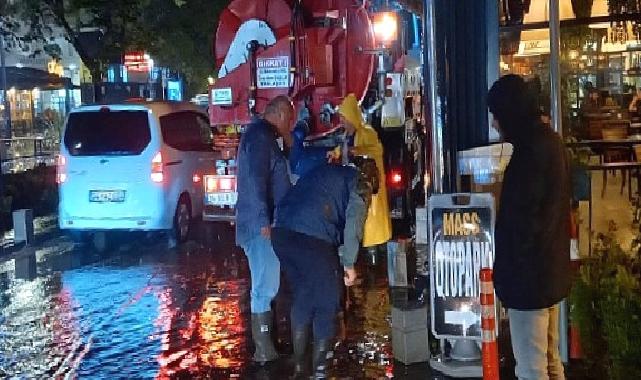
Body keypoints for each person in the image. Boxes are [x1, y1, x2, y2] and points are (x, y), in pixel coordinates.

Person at [487, 75, 570, 380]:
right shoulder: (549, 142)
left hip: (530, 280)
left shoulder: (529, 154)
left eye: (497, 114)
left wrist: (507, 275)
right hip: (549, 271)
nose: (495, 123)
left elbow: (523, 225)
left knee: (532, 368)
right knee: (549, 362)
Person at [271, 158, 379, 379]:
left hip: (281, 232)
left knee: (304, 295)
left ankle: (300, 369)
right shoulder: (360, 183)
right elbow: (353, 224)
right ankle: (322, 373)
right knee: (328, 301)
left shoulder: (329, 172)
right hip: (311, 237)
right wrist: (349, 264)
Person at [235, 95, 294, 364]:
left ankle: (267, 346)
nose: (290, 126)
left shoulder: (262, 135)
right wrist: (264, 222)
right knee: (264, 286)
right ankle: (263, 351)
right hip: (260, 226)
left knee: (266, 283)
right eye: (290, 120)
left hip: (261, 222)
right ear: (280, 115)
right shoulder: (260, 138)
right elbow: (258, 181)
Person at [337, 94, 392, 260]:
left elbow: (376, 150)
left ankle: (373, 259)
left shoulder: (367, 132)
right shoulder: (347, 136)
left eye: (344, 118)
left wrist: (358, 151)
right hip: (355, 184)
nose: (342, 122)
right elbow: (343, 151)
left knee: (370, 223)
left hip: (368, 185)